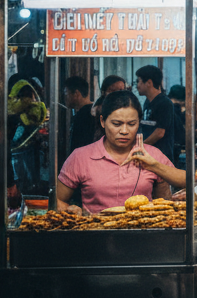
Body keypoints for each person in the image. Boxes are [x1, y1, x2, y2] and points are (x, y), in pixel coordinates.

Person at [57, 90, 187, 214]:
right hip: (95, 232)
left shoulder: (152, 155)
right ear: (103, 121)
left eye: (131, 124)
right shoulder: (81, 157)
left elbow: (187, 183)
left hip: (143, 231)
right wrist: (73, 212)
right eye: (116, 124)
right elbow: (56, 200)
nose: (124, 131)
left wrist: (154, 166)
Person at [135, 65, 177, 161]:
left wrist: (141, 146)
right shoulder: (147, 102)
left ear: (149, 83)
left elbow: (159, 133)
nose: (137, 86)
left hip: (161, 157)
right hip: (148, 155)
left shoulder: (164, 103)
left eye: (139, 81)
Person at [63, 76, 98, 153]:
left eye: (66, 93)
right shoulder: (88, 111)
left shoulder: (84, 116)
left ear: (76, 93)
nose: (65, 98)